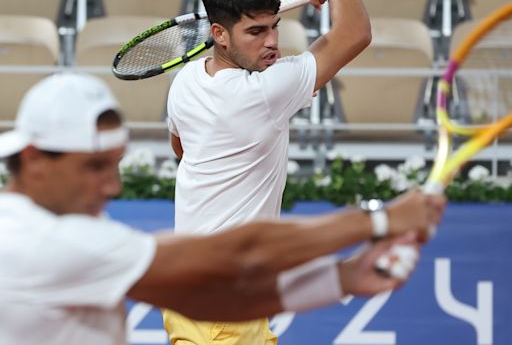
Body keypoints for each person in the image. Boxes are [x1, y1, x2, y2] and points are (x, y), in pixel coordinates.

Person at [0, 72, 445, 345]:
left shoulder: (39, 229)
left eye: (113, 166)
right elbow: (239, 255)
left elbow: (210, 296)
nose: (112, 186)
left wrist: (343, 278)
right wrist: (380, 219)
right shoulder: (44, 242)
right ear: (36, 159)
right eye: (93, 167)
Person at [164, 0, 441, 345]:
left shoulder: (186, 81)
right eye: (256, 32)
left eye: (275, 26)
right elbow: (355, 31)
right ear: (219, 34)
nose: (272, 42)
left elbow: (181, 149)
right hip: (224, 309)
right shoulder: (262, 92)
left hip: (202, 298)